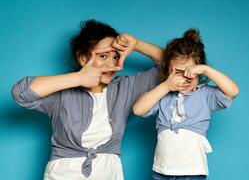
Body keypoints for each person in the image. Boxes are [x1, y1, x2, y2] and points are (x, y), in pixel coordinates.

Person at [11, 19, 164, 180]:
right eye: (103, 56)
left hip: (109, 172)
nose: (111, 64)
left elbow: (174, 66)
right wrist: (77, 78)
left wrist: (138, 44)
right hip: (63, 174)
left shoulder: (125, 88)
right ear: (83, 58)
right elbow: (21, 93)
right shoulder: (63, 92)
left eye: (115, 57)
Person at [133, 29, 239, 180]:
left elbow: (233, 91)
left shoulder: (204, 95)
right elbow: (138, 110)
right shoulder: (163, 93)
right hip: (161, 171)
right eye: (177, 72)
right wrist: (165, 86)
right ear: (168, 70)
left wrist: (206, 69)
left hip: (192, 171)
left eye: (190, 72)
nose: (184, 78)